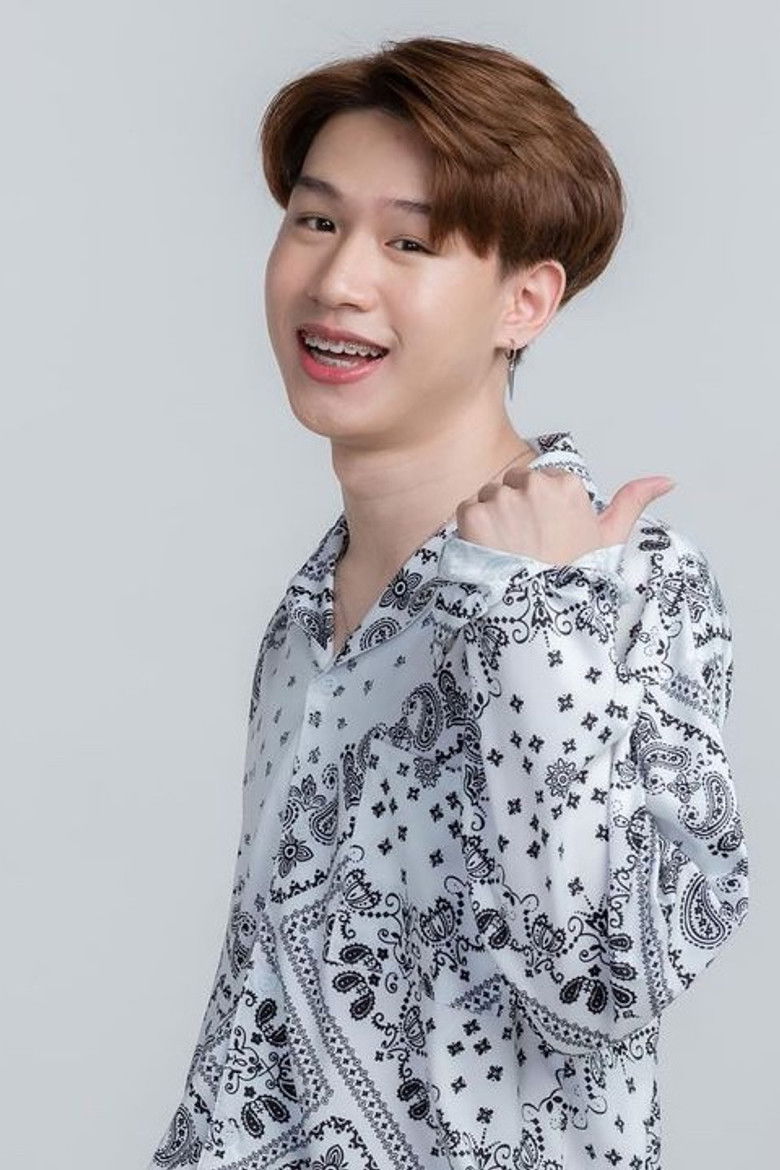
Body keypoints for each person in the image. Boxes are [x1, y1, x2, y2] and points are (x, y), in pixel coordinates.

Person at [146, 35, 749, 1169]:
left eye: (410, 242)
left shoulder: (627, 585)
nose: (337, 281)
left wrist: (533, 621)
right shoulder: (311, 611)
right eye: (315, 220)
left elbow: (606, 983)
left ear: (525, 301)